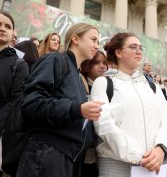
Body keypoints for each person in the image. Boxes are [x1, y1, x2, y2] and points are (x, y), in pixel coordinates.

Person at [16, 23, 103, 177]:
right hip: (46, 153)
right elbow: (31, 103)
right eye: (94, 39)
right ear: (76, 39)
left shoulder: (78, 77)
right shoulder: (54, 59)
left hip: (68, 159)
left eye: (98, 41)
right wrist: (77, 109)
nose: (97, 45)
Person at [90, 32, 167, 177]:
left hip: (152, 164)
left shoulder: (152, 86)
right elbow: (104, 125)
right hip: (116, 164)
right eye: (133, 47)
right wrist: (138, 156)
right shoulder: (103, 83)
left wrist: (161, 148)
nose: (139, 51)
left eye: (141, 48)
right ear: (118, 52)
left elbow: (166, 121)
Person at [0, 11, 29, 175]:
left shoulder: (19, 64)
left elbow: (15, 102)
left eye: (7, 26)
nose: (3, 28)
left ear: (13, 35)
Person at [80, 50, 107, 177]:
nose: (103, 66)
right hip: (86, 150)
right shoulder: (80, 84)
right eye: (97, 63)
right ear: (87, 65)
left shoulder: (110, 86)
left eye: (104, 63)